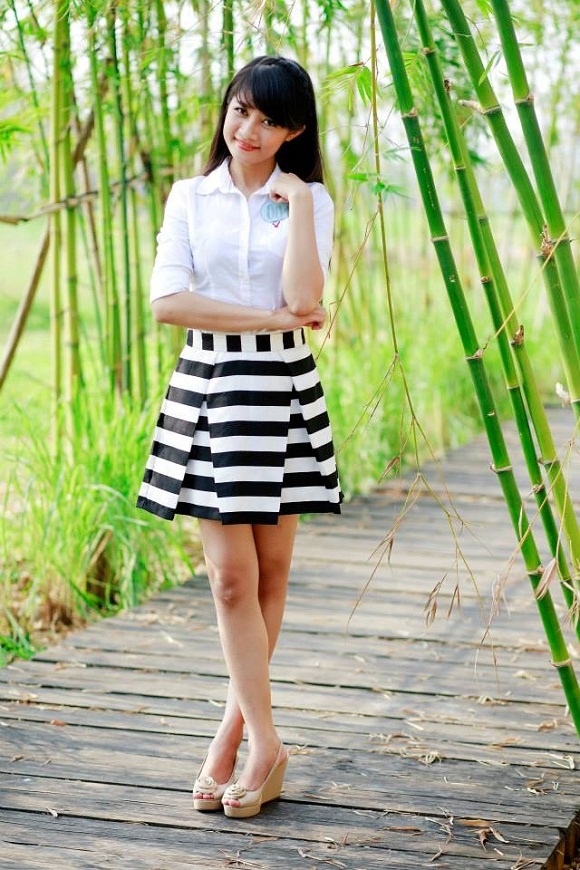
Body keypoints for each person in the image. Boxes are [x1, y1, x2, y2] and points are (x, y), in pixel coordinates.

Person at [137, 55, 341, 819]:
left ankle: (234, 741)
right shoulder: (191, 197)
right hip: (213, 388)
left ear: (294, 131)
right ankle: (268, 741)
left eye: (268, 119)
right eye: (240, 111)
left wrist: (298, 203)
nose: (248, 130)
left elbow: (305, 296)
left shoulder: (308, 199)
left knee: (271, 575)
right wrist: (269, 320)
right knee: (230, 579)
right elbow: (169, 302)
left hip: (282, 388)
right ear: (226, 110)